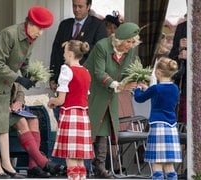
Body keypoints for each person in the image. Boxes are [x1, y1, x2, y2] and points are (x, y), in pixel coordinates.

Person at [0, 6, 54, 178]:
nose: (41, 33)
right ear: (30, 24)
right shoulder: (8, 34)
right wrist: (18, 79)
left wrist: (29, 77)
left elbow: (23, 63)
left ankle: (7, 164)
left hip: (4, 83)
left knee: (2, 123)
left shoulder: (30, 39)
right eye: (39, 28)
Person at [84, 22, 141, 178]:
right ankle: (82, 166)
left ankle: (99, 167)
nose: (131, 45)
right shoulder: (102, 46)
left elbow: (127, 71)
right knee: (89, 126)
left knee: (105, 127)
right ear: (119, 39)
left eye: (133, 41)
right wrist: (118, 86)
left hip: (110, 92)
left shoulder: (129, 51)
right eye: (128, 41)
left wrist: (136, 80)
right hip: (91, 90)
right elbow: (99, 72)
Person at [48, 40, 93, 180]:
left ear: (70, 53)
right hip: (83, 115)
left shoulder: (66, 70)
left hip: (70, 114)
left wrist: (51, 101)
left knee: (71, 155)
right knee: (79, 156)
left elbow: (61, 100)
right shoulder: (85, 72)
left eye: (64, 51)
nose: (63, 54)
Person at [133, 57, 182, 180]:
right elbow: (161, 95)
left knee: (157, 163)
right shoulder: (175, 88)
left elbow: (139, 99)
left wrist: (138, 89)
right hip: (171, 126)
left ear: (158, 72)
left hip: (158, 126)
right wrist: (148, 89)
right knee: (169, 165)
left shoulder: (156, 88)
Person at [49, 0, 106, 93]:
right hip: (64, 80)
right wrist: (52, 76)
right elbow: (56, 52)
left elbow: (100, 52)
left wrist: (82, 47)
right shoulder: (64, 24)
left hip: (85, 80)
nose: (76, 9)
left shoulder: (98, 25)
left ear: (88, 6)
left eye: (80, 6)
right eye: (74, 6)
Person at [10, 83, 65, 178]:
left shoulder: (13, 72)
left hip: (14, 110)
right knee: (21, 121)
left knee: (34, 120)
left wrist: (18, 102)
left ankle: (33, 167)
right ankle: (43, 162)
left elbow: (20, 93)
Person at [168, 20, 187, 123]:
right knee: (184, 126)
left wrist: (191, 55)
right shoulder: (183, 27)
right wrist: (179, 49)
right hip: (185, 86)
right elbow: (171, 58)